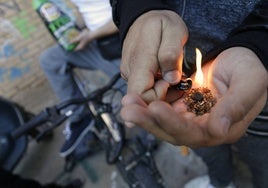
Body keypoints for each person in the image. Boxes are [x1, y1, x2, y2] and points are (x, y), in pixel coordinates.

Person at [110, 0, 268, 188]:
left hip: (257, 84)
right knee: (205, 147)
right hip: (179, 83)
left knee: (260, 158)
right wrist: (139, 9)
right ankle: (221, 182)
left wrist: (259, 45)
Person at [40, 0, 124, 157]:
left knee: (139, 103)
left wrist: (91, 35)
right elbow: (86, 9)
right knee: (50, 59)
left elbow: (131, 12)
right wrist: (72, 31)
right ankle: (79, 118)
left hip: (120, 41)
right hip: (96, 43)